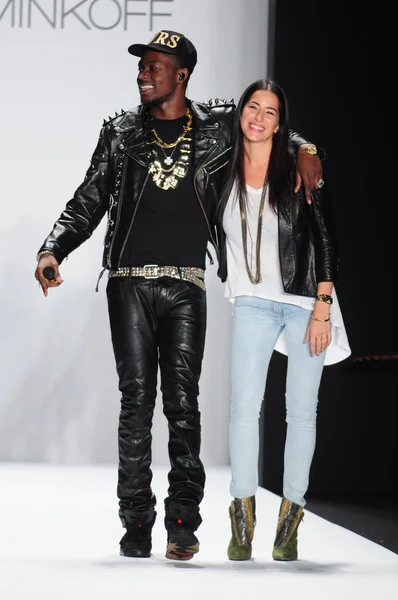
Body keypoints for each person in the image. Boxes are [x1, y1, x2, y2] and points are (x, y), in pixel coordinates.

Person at [34, 32, 323, 561]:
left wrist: (304, 147)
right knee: (135, 403)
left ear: (181, 74)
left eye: (154, 67)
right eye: (142, 68)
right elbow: (89, 198)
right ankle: (137, 522)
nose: (143, 74)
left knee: (183, 406)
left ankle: (183, 522)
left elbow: (264, 126)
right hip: (127, 282)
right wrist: (53, 249)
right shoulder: (119, 131)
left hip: (187, 283)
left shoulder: (216, 124)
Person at [216, 79, 351, 561]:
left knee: (301, 412)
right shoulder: (220, 164)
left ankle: (290, 518)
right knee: (242, 408)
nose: (259, 117)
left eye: (270, 112)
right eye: (253, 107)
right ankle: (242, 517)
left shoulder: (300, 166)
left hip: (303, 304)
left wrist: (323, 307)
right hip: (252, 300)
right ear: (241, 112)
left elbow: (327, 236)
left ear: (281, 121)